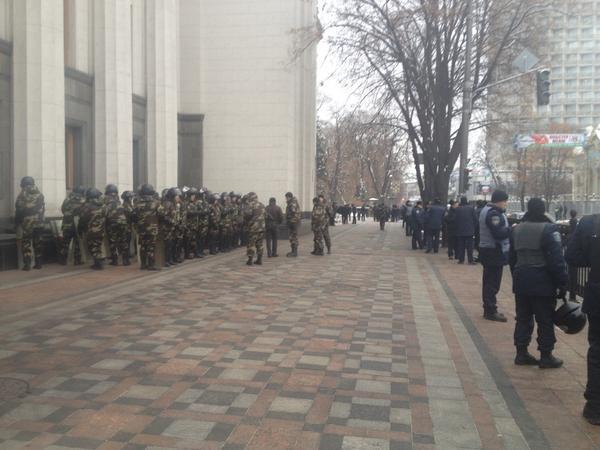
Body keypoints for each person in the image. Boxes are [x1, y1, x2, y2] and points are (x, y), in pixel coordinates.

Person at [509, 198, 567, 368]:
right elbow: (556, 260)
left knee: (523, 317)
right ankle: (546, 355)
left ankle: (521, 352)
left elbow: (511, 258)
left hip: (521, 278)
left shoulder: (516, 229)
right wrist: (562, 282)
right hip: (542, 280)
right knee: (545, 319)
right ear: (543, 210)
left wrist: (516, 275)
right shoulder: (549, 229)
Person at [567, 212, 600, 424]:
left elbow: (572, 257)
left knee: (597, 350)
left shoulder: (590, 223)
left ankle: (595, 406)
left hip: (598, 294)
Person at [479, 190, 511, 322]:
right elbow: (498, 234)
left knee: (489, 281)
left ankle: (489, 308)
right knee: (492, 282)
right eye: (505, 201)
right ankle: (490, 310)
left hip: (488, 250)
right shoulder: (494, 214)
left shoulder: (487, 210)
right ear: (500, 201)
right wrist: (512, 229)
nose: (506, 204)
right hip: (493, 251)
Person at [15, 176, 45, 271]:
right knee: (38, 241)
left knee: (26, 242)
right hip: (39, 222)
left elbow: (19, 209)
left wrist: (17, 222)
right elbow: (42, 208)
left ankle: (27, 264)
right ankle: (39, 263)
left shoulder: (22, 194)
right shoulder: (40, 194)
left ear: (23, 184)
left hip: (28, 222)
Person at [132, 184, 161, 270]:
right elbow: (162, 214)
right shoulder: (156, 203)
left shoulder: (137, 203)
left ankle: (143, 264)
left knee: (143, 246)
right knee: (151, 246)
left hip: (141, 229)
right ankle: (151, 265)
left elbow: (133, 216)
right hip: (152, 229)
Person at [79, 188, 107, 270]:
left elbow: (83, 218)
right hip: (101, 230)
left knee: (93, 247)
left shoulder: (87, 206)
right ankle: (98, 262)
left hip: (91, 231)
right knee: (97, 245)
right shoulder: (103, 206)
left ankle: (98, 264)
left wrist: (80, 228)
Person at [104, 184, 130, 266]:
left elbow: (105, 212)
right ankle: (126, 260)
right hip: (123, 222)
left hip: (112, 223)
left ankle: (114, 260)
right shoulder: (118, 199)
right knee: (123, 241)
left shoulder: (106, 199)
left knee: (113, 241)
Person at [59, 186, 85, 266]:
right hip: (77, 224)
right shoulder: (83, 200)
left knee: (65, 242)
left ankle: (63, 260)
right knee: (78, 243)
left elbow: (63, 209)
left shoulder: (67, 199)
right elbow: (84, 212)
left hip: (67, 223)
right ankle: (77, 260)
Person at [454, 196, 478, 265]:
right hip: (470, 230)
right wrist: (474, 227)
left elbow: (455, 220)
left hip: (460, 230)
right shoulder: (471, 208)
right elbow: (475, 219)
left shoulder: (457, 209)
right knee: (470, 247)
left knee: (461, 246)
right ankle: (470, 260)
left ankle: (461, 260)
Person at [243, 192, 265, 265]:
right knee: (260, 244)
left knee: (251, 244)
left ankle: (250, 260)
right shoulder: (262, 205)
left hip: (253, 228)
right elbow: (265, 215)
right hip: (261, 227)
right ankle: (259, 259)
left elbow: (247, 215)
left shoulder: (250, 205)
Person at [285, 192, 301, 257]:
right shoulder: (292, 202)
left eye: (286, 197)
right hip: (293, 221)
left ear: (289, 197)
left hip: (293, 222)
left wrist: (288, 217)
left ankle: (294, 252)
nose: (286, 199)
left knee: (293, 237)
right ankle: (293, 251)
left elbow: (293, 211)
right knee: (292, 237)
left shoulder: (292, 202)